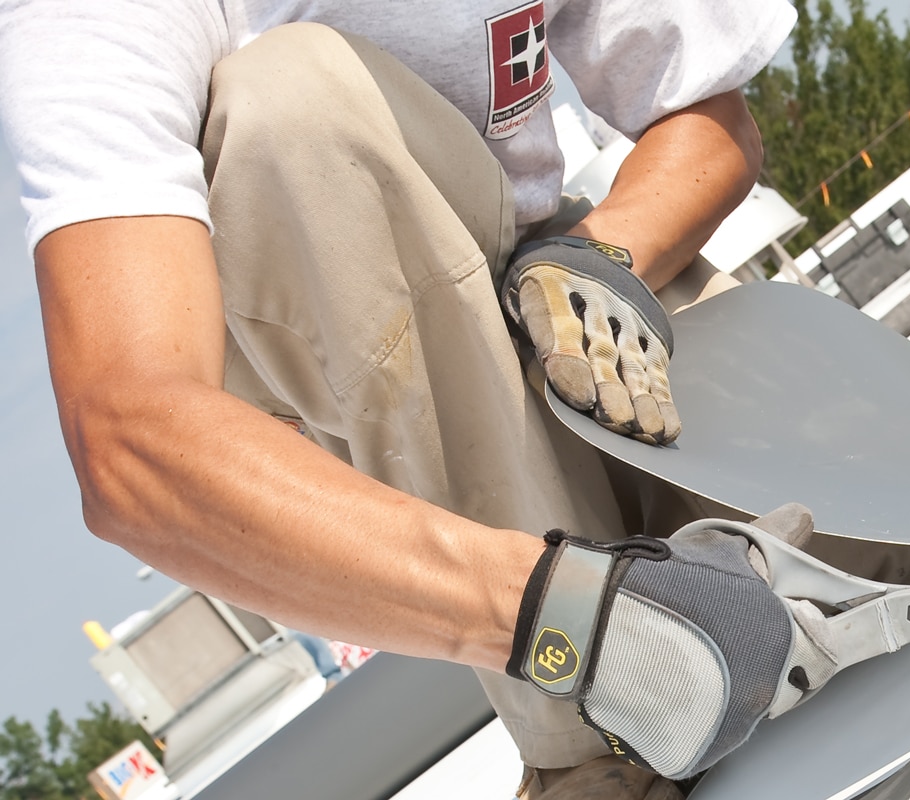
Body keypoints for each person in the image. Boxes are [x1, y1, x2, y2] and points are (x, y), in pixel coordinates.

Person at [0, 2, 840, 798]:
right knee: (288, 105)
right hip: (374, 420)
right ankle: (584, 738)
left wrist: (601, 261)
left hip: (566, 296)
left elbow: (707, 116)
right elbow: (129, 437)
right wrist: (565, 618)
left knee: (865, 566)